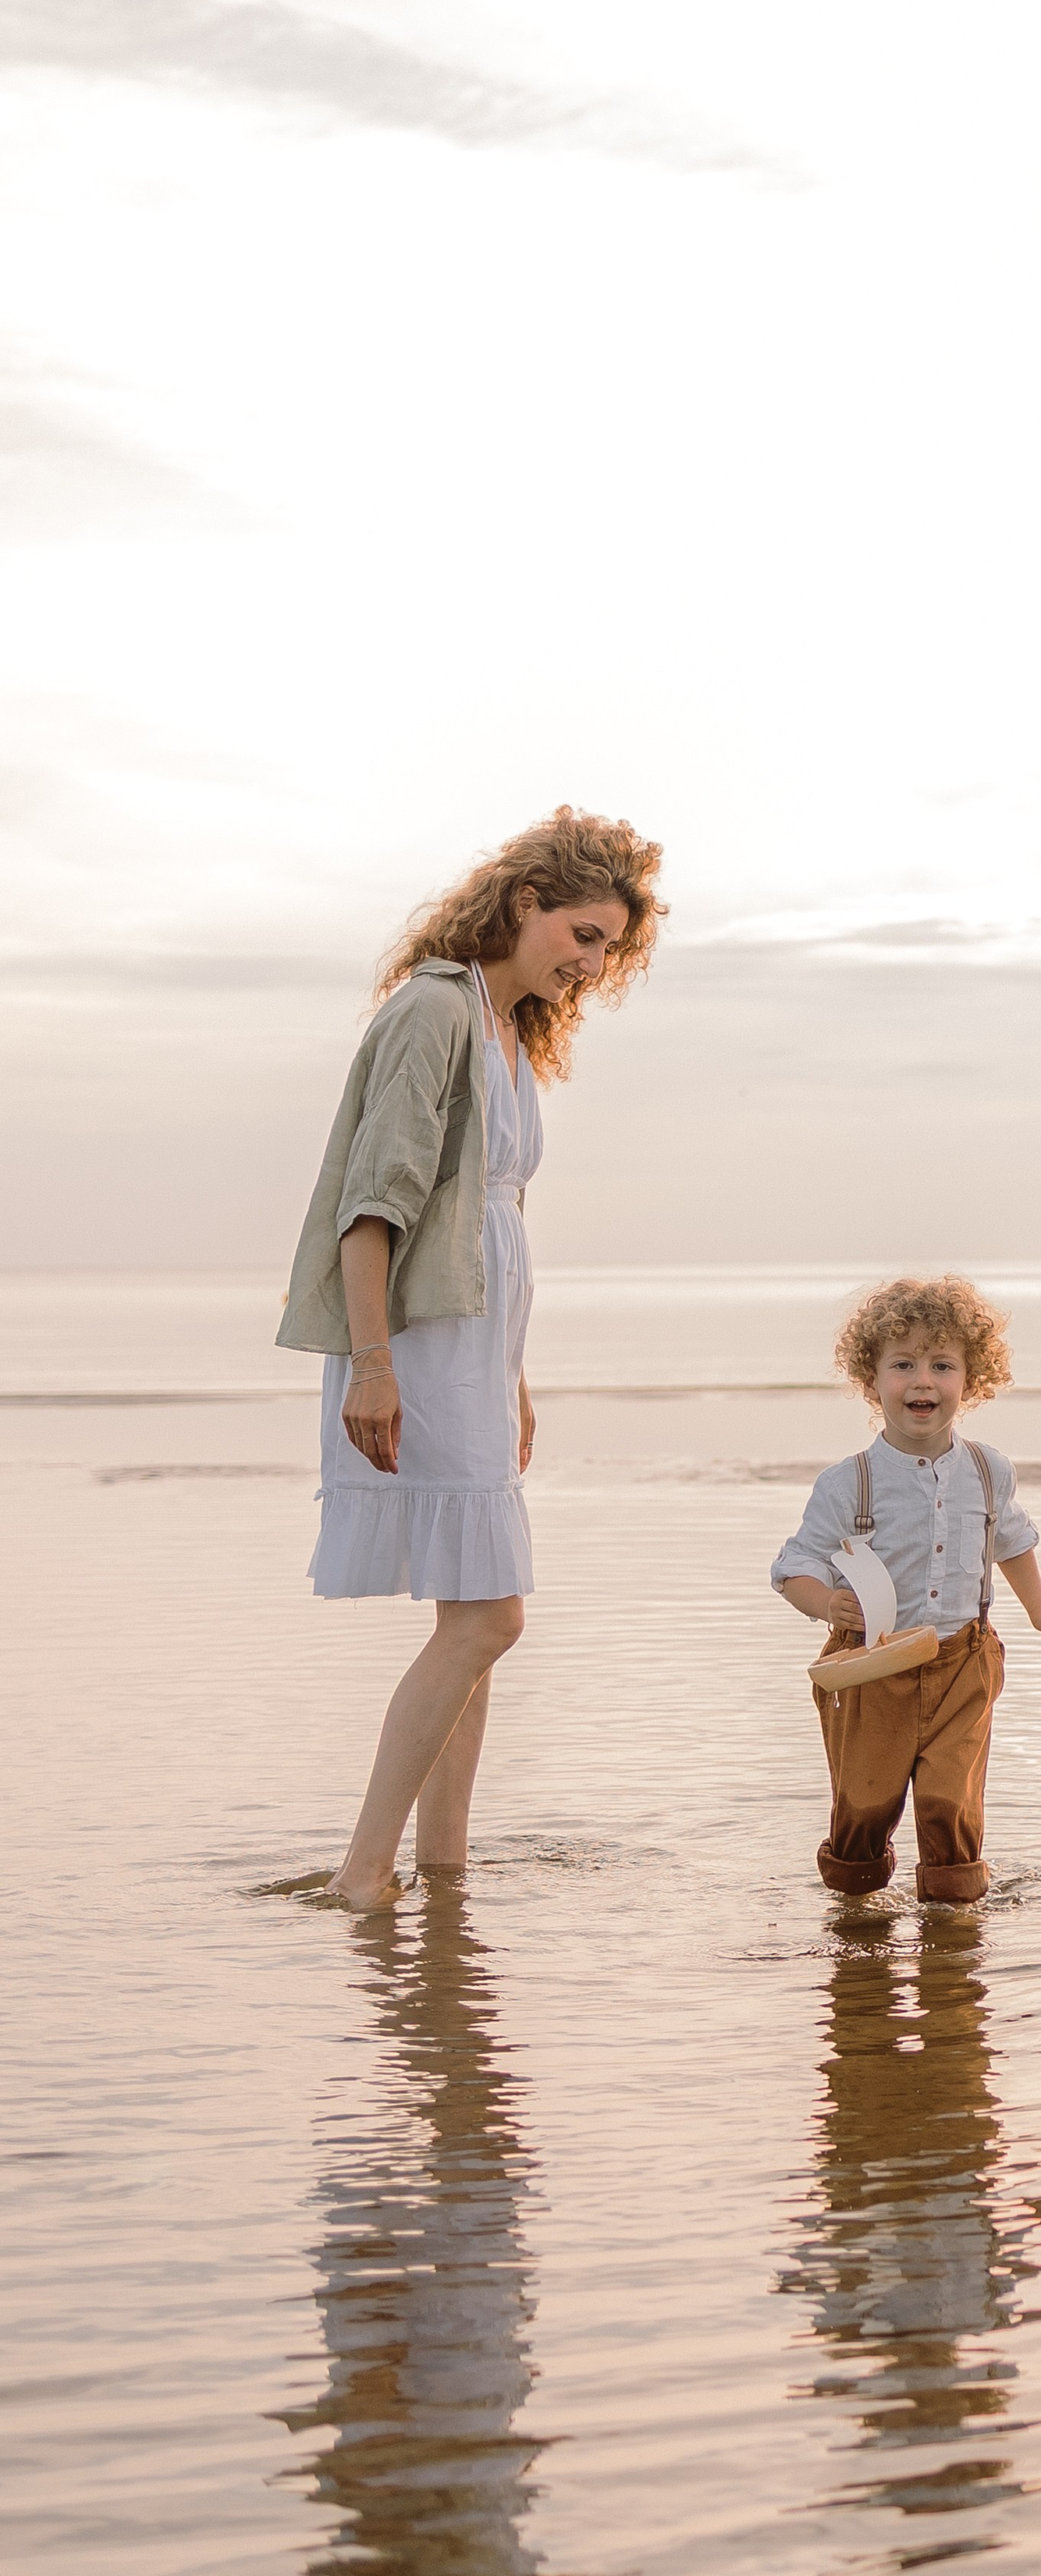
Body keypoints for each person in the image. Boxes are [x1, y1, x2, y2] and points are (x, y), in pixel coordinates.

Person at [279, 807, 663, 1910]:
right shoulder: (435, 1009)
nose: (590, 965)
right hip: (421, 1345)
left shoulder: (509, 1028)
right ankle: (365, 1870)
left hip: (478, 1348)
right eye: (581, 935)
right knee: (493, 1615)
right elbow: (372, 1206)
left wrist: (516, 1377)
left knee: (472, 1620)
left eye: (608, 949)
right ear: (523, 902)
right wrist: (373, 1365)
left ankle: (442, 1869)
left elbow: (492, 1225)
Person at [772, 1275, 1041, 1903]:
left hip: (963, 1661)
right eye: (903, 1364)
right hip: (869, 1668)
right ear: (871, 1378)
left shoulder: (988, 1470)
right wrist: (826, 1602)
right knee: (863, 1807)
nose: (923, 1381)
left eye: (942, 1365)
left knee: (950, 1803)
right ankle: (856, 1915)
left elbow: (1010, 1540)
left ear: (972, 1378)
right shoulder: (848, 1483)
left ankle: (952, 1921)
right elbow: (794, 1566)